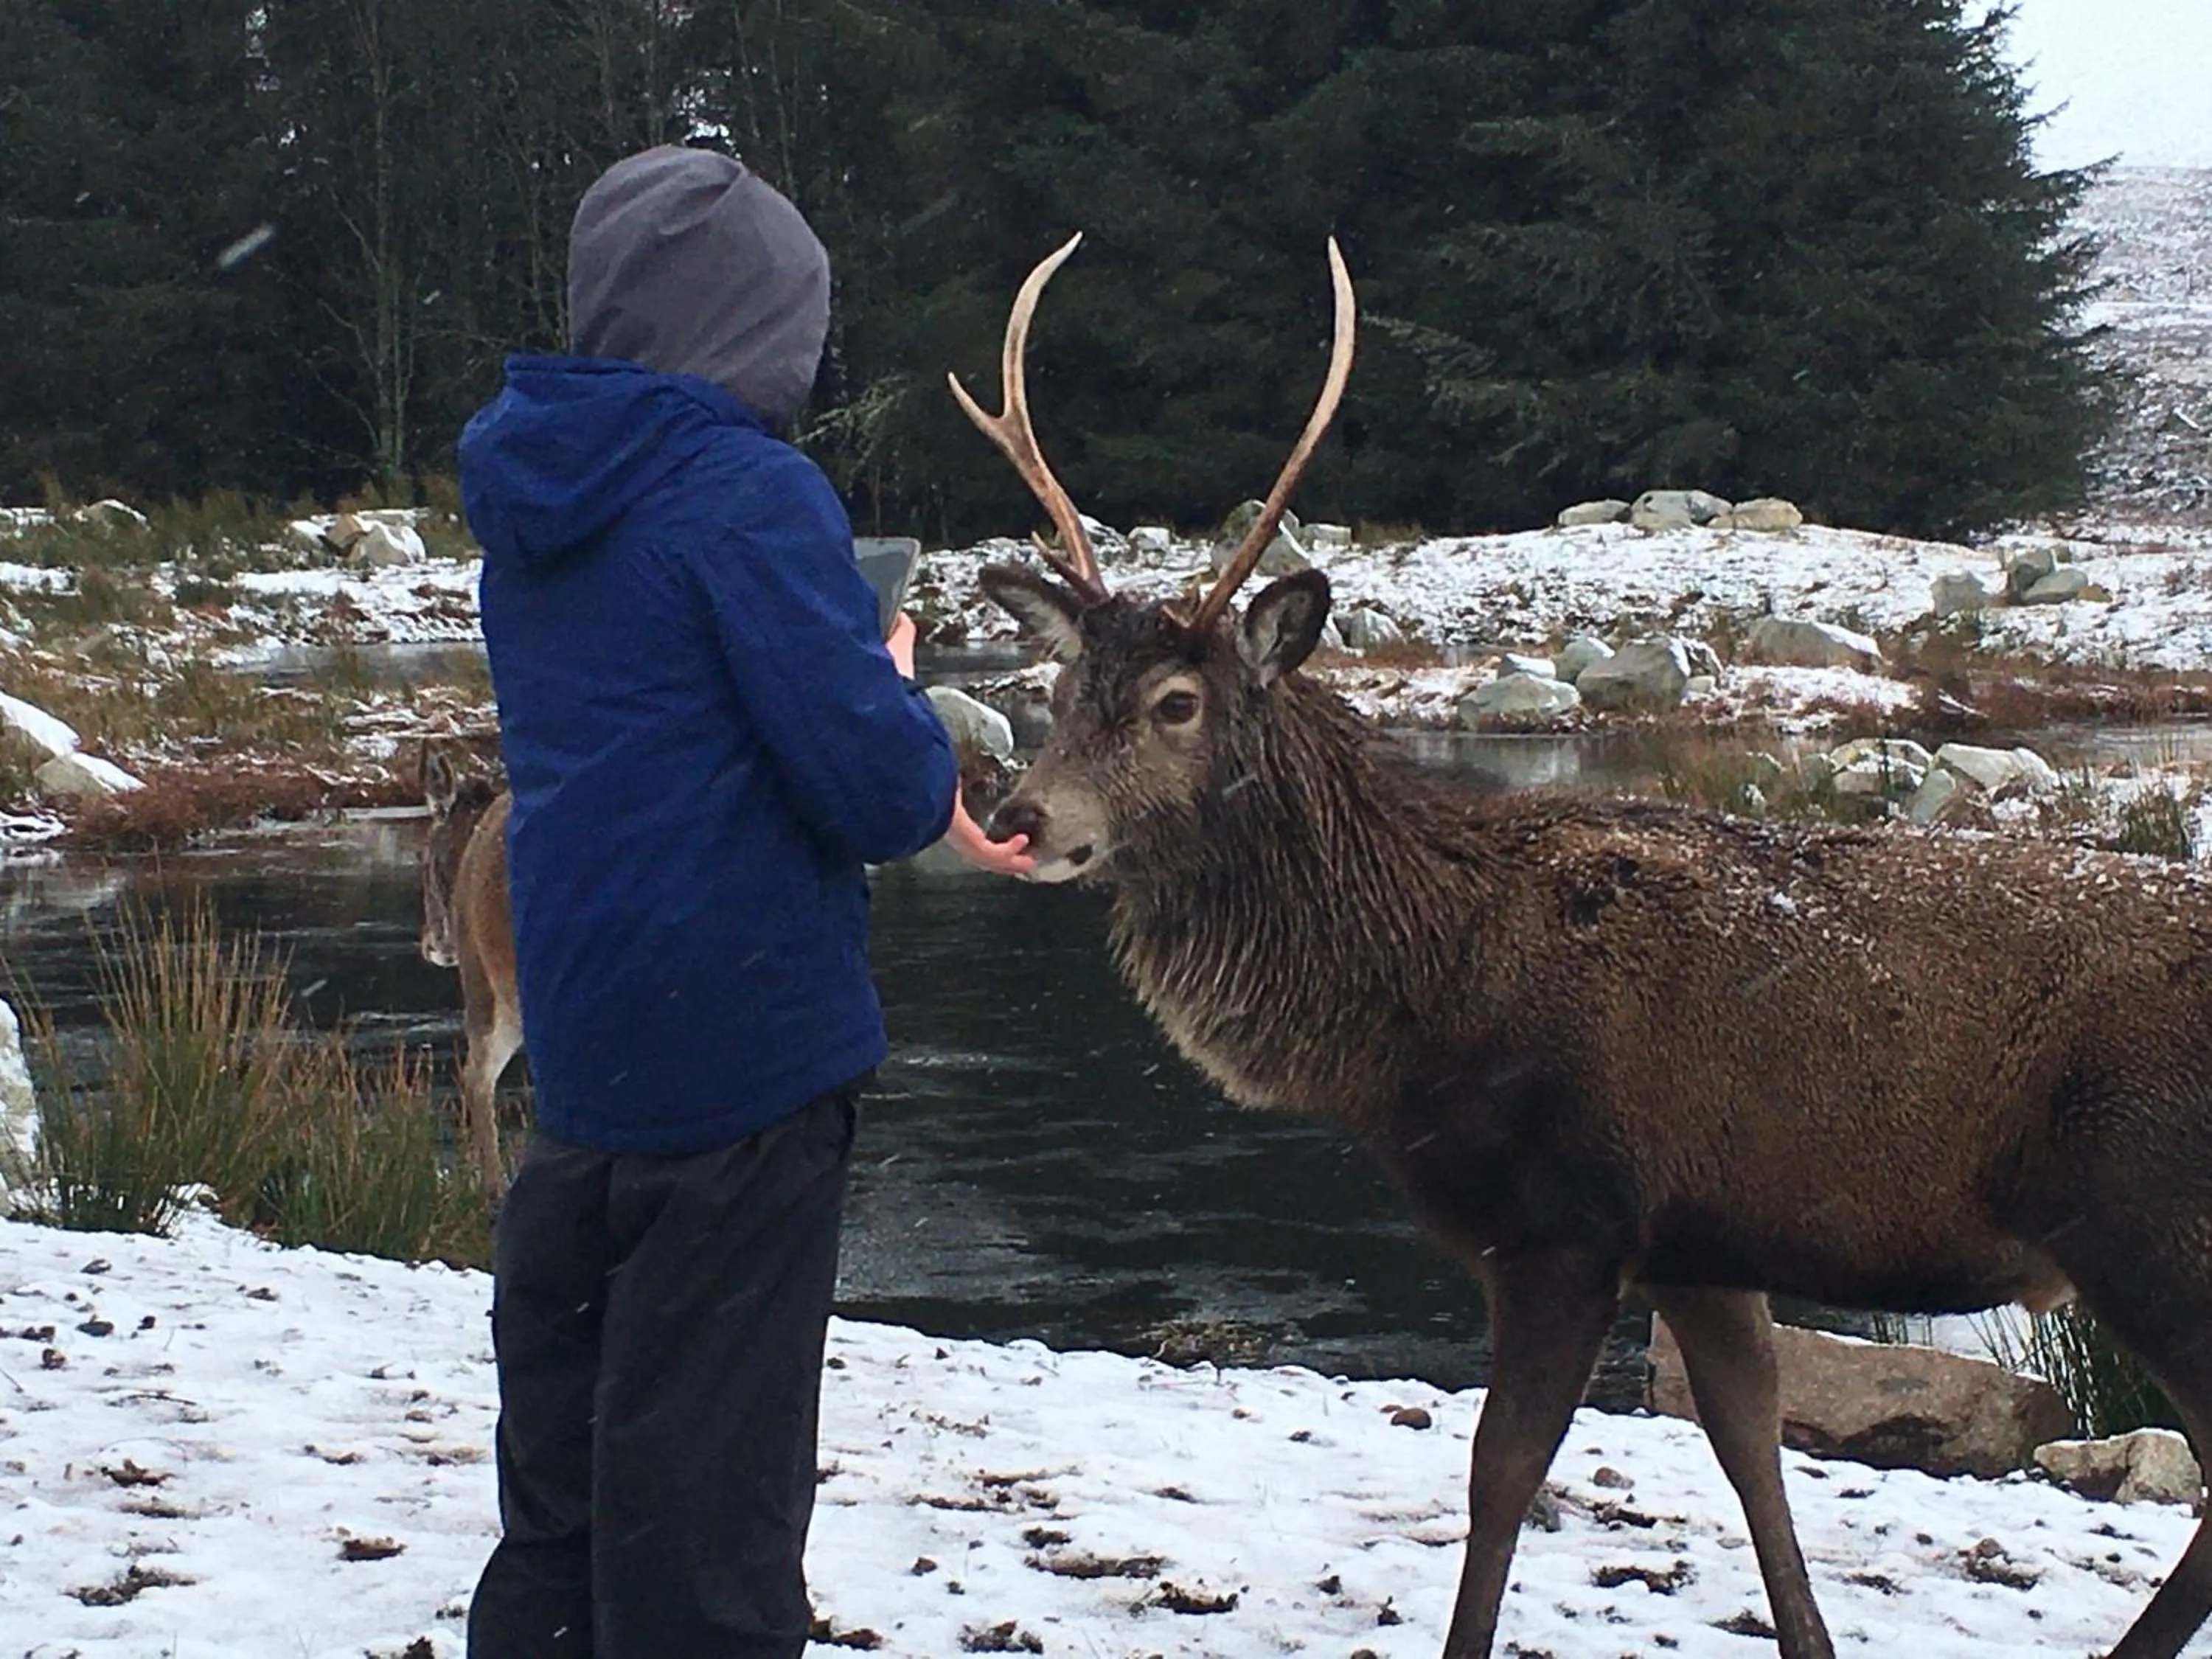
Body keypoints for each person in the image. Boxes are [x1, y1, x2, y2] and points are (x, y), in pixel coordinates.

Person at [456, 144, 1032, 1659]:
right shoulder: (748, 496)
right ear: (752, 323)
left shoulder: (528, 505)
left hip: (590, 1071)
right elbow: (885, 794)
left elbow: (661, 730)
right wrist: (891, 681)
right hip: (745, 1079)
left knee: (569, 1517)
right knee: (707, 1535)